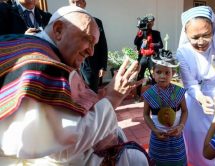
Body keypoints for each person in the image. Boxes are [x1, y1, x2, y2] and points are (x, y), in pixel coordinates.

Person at [0, 6, 150, 165]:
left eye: (95, 45)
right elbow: (63, 150)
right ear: (58, 30)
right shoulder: (41, 64)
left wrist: (104, 96)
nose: (91, 52)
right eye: (88, 40)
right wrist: (113, 98)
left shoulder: (34, 46)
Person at [176, 6, 215, 165]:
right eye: (195, 37)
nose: (201, 42)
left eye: (206, 35)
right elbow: (189, 83)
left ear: (214, 29)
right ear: (186, 34)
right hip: (197, 101)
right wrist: (201, 99)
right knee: (198, 141)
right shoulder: (183, 53)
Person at [142, 49, 188, 165]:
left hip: (176, 137)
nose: (163, 76)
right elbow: (146, 114)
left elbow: (185, 111)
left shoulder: (179, 91)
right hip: (157, 138)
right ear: (153, 73)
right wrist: (155, 130)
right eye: (159, 72)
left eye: (167, 72)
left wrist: (181, 126)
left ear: (173, 74)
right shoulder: (149, 94)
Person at [69, 0, 108, 92]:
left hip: (91, 65)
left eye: (78, 2)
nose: (76, 5)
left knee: (92, 92)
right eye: (73, 2)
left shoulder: (96, 22)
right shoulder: (64, 23)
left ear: (84, 4)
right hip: (71, 66)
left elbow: (102, 45)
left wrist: (103, 65)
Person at [134, 14, 163, 100]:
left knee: (154, 76)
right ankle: (138, 95)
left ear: (153, 23)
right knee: (139, 76)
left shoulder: (156, 33)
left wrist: (150, 44)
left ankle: (155, 95)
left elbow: (160, 45)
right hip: (143, 57)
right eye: (148, 22)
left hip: (152, 57)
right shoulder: (141, 32)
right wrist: (139, 33)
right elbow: (135, 42)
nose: (150, 24)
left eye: (151, 22)